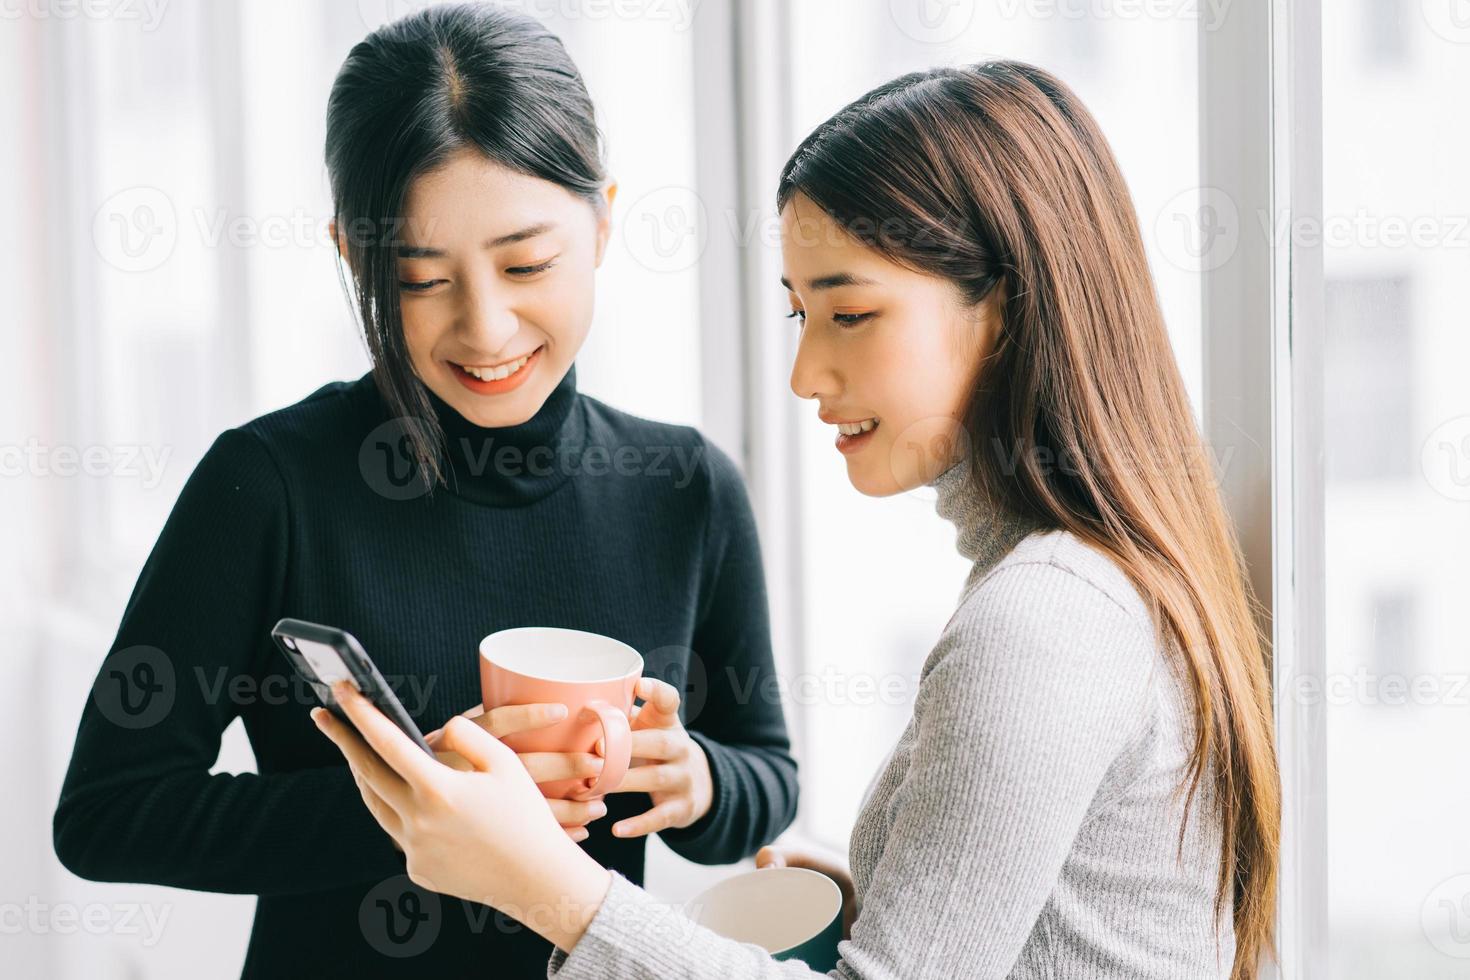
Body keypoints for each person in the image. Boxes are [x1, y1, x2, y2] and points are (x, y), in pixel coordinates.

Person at [315, 59, 1282, 979]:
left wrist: (549, 887)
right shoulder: (1078, 588)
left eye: (850, 315)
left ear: (1010, 309)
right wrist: (878, 901)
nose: (804, 374)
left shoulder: (1044, 623)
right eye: (797, 316)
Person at [51, 5, 797, 975]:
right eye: (417, 278)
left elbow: (765, 773)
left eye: (526, 262)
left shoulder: (684, 488)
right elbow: (108, 813)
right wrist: (408, 797)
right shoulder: (269, 483)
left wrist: (695, 779)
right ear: (350, 253)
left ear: (606, 219)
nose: (485, 328)